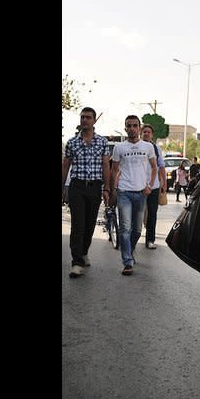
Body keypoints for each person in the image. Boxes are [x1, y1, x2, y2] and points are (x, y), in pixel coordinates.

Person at [62, 108, 112, 279]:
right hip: (76, 187)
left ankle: (83, 252)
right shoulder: (72, 142)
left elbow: (106, 166)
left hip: (94, 188)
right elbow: (65, 166)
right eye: (82, 117)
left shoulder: (102, 142)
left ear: (94, 121)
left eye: (88, 117)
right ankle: (76, 262)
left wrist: (107, 188)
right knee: (78, 224)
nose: (85, 120)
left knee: (89, 224)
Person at [109, 115, 158, 276]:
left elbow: (154, 168)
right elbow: (114, 170)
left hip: (141, 193)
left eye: (134, 126)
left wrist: (150, 186)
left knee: (137, 230)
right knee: (125, 228)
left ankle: (129, 250)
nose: (131, 128)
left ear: (139, 128)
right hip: (124, 192)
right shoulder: (119, 147)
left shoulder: (148, 147)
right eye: (128, 126)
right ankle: (127, 262)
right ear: (125, 128)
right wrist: (112, 189)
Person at [141, 124, 167, 250]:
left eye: (148, 132)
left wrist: (164, 183)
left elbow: (161, 166)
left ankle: (150, 240)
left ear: (152, 134)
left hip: (154, 186)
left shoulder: (156, 149)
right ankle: (133, 237)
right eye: (144, 131)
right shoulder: (136, 147)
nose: (146, 133)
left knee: (152, 213)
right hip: (137, 186)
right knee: (137, 214)